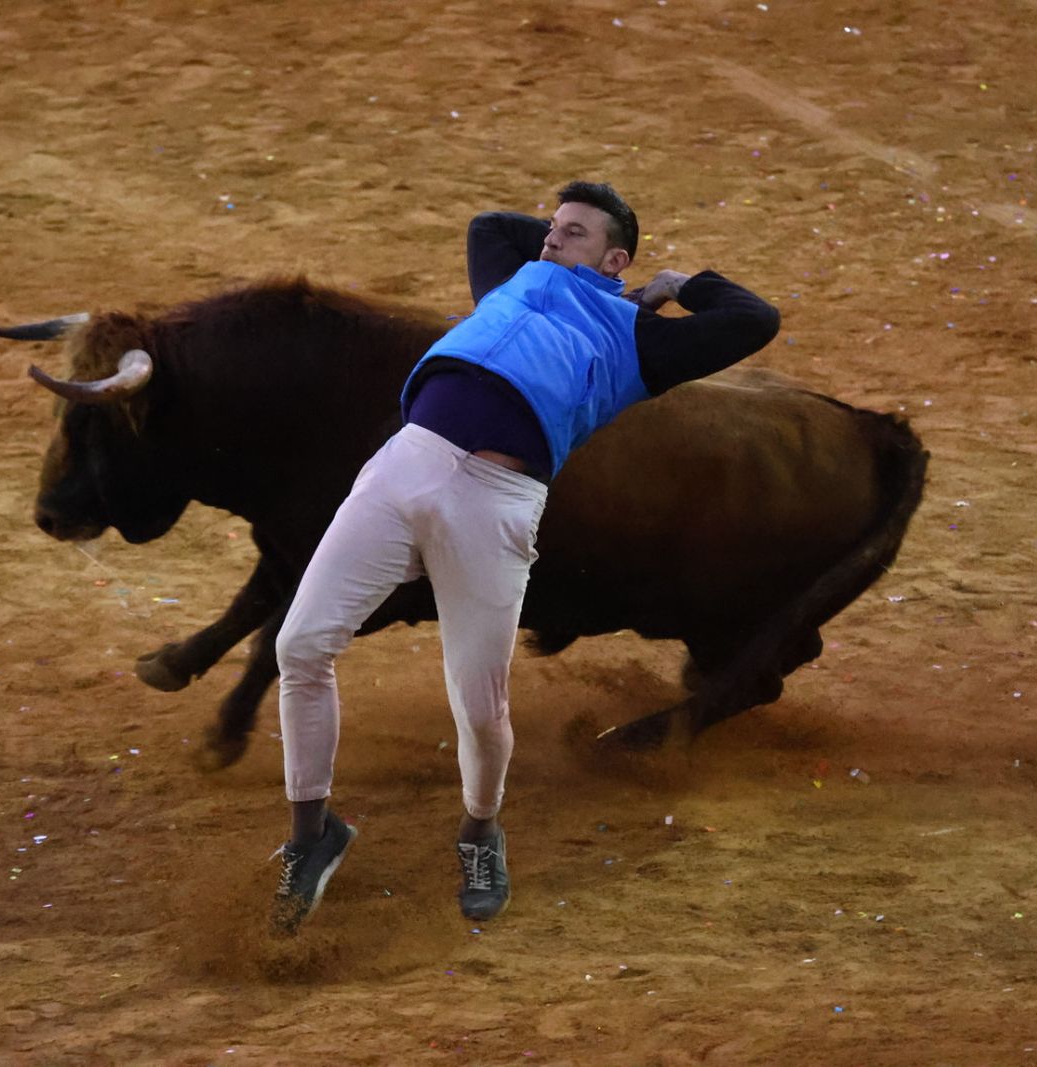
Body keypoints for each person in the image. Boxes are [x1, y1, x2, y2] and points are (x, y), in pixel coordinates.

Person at [269, 181, 780, 931]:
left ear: (616, 257)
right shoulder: (514, 278)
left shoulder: (642, 343)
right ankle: (312, 836)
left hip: (495, 500)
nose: (549, 238)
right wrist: (574, 250)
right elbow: (491, 223)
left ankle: (480, 831)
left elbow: (753, 319)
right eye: (551, 228)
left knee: (480, 705)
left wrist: (678, 287)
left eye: (573, 233)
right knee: (299, 644)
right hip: (406, 462)